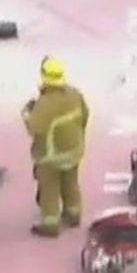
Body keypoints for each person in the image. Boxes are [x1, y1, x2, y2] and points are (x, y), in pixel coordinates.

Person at [24, 56, 90, 238]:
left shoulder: (45, 104)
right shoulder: (75, 94)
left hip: (50, 158)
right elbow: (85, 115)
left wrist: (26, 113)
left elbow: (34, 128)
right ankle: (73, 214)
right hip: (74, 152)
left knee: (49, 191)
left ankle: (50, 225)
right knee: (71, 184)